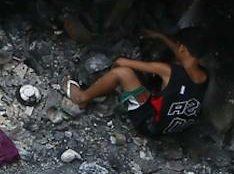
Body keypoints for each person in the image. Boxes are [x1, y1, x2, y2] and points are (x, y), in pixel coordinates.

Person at [66, 28, 209, 139]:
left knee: (122, 72)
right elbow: (182, 53)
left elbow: (122, 62)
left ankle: (82, 98)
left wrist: (113, 66)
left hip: (148, 124)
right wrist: (161, 37)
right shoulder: (205, 75)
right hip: (173, 128)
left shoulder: (168, 70)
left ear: (182, 48)